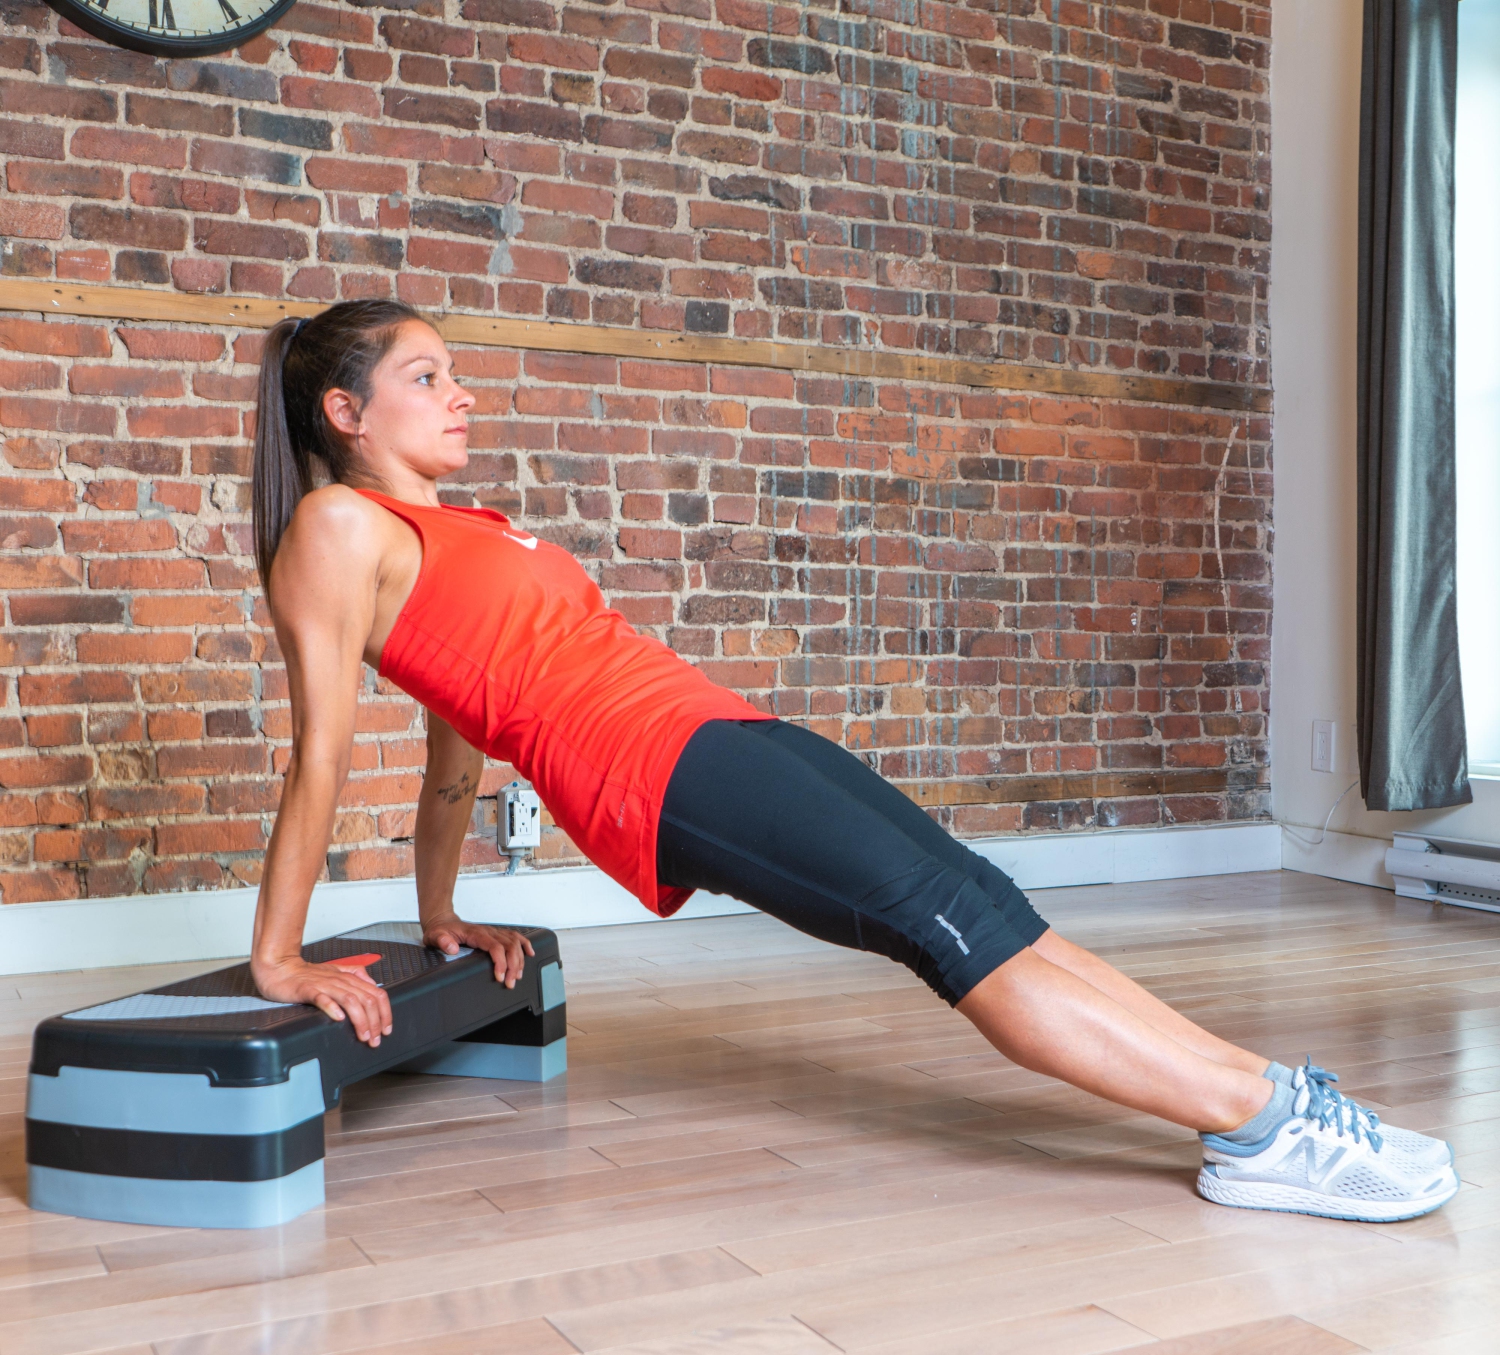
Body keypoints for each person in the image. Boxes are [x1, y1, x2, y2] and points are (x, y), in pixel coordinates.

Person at [248, 299, 1458, 1225]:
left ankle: (1268, 1101)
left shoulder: (454, 529)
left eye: (456, 373)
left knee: (988, 904)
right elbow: (323, 753)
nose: (462, 396)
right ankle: (1261, 1134)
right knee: (951, 932)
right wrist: (281, 958)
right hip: (657, 771)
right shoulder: (334, 525)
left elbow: (456, 738)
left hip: (717, 731)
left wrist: (440, 910)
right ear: (344, 414)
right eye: (425, 377)